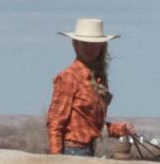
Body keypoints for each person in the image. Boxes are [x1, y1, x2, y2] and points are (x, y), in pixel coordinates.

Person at [46, 17, 136, 156]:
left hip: (89, 151)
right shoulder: (68, 77)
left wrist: (120, 129)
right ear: (75, 44)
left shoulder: (99, 79)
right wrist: (57, 161)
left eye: (94, 44)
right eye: (84, 43)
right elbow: (55, 124)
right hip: (71, 152)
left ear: (101, 46)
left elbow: (92, 125)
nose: (89, 48)